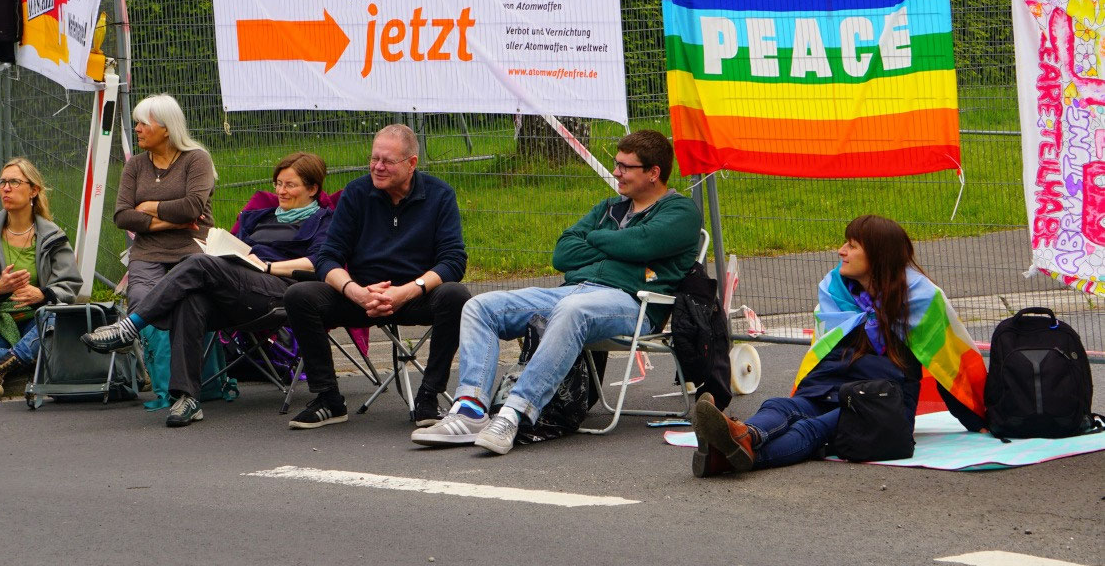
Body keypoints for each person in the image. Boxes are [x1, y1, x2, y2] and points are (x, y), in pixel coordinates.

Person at [413, 129, 702, 455]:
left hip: (633, 304)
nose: (616, 172)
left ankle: (514, 413)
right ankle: (470, 410)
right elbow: (563, 253)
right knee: (481, 306)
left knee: (572, 309)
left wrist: (596, 241)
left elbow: (643, 242)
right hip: (574, 291)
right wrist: (620, 251)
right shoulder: (608, 208)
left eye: (625, 166)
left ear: (653, 173)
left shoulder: (680, 212)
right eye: (616, 164)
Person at [691, 215, 987, 477]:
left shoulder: (921, 299)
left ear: (878, 256)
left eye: (852, 246)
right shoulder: (835, 290)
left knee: (813, 428)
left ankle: (727, 458)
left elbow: (949, 361)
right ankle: (746, 435)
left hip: (880, 400)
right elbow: (822, 352)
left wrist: (978, 419)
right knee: (780, 406)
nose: (841, 251)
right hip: (833, 385)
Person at [82, 152, 335, 427]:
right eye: (278, 183)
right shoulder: (258, 218)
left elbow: (318, 262)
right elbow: (239, 250)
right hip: (241, 288)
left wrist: (268, 267)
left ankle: (130, 327)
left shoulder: (324, 220)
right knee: (192, 298)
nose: (280, 191)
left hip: (282, 291)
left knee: (199, 264)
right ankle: (187, 398)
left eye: (290, 185)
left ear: (312, 189)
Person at [282, 124, 469, 430]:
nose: (377, 167)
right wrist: (356, 292)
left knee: (456, 296)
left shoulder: (439, 196)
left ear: (411, 164)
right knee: (299, 296)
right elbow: (327, 257)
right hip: (361, 296)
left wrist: (407, 291)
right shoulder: (356, 194)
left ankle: (428, 396)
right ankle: (328, 398)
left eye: (387, 161)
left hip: (414, 296)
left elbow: (453, 260)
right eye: (374, 159)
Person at [81, 93, 215, 359]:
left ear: (166, 129)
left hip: (191, 250)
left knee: (186, 303)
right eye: (137, 123)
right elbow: (122, 217)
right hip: (148, 252)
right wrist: (174, 222)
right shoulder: (135, 166)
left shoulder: (197, 159)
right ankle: (139, 345)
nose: (138, 129)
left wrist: (148, 207)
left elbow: (192, 207)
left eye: (144, 124)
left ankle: (126, 335)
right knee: (141, 298)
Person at [0, 158, 84, 399]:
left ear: (33, 190)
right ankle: (28, 356)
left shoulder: (53, 237)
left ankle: (0, 369)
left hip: (38, 322)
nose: (6, 188)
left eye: (14, 182)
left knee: (53, 325)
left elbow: (70, 284)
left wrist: (42, 294)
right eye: (2, 182)